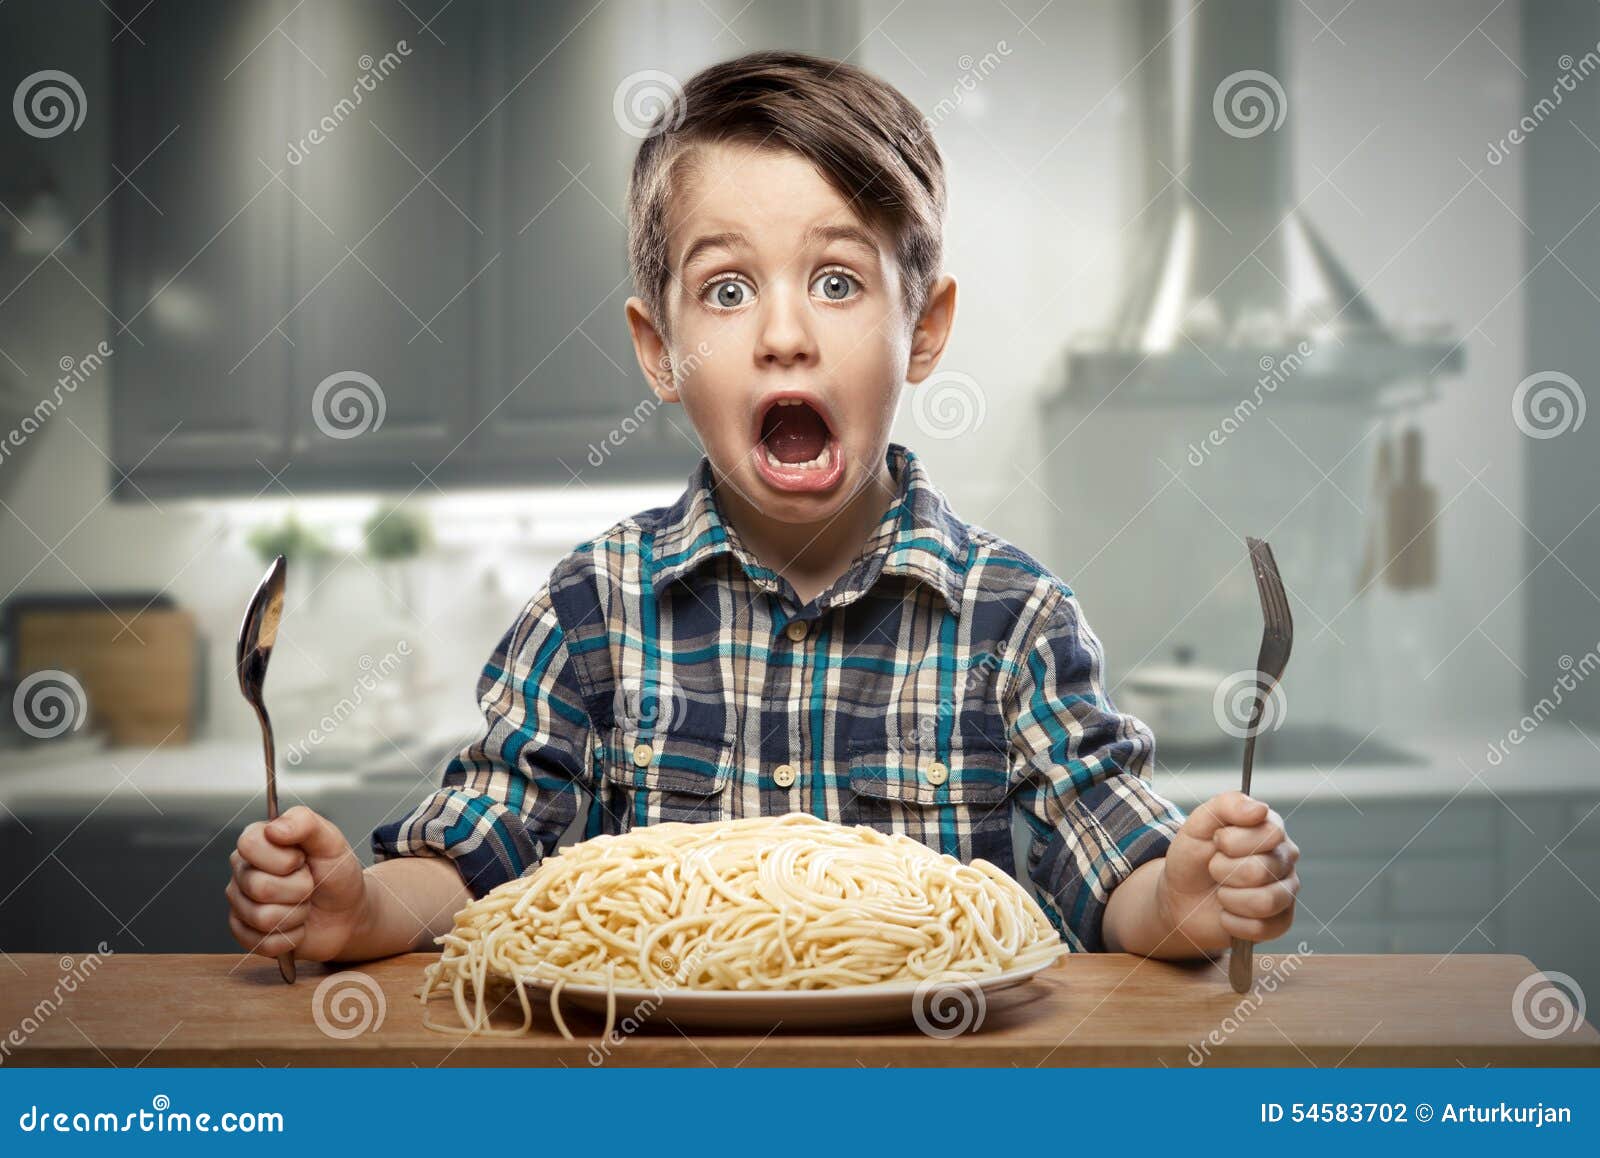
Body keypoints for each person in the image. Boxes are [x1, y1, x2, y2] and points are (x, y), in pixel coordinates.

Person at [227, 49, 1298, 969]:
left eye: (837, 282)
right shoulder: (595, 608)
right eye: (727, 291)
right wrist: (362, 910)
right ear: (661, 351)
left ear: (923, 329)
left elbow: (1112, 862)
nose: (784, 335)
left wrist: (1183, 903)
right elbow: (479, 850)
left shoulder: (1012, 620)